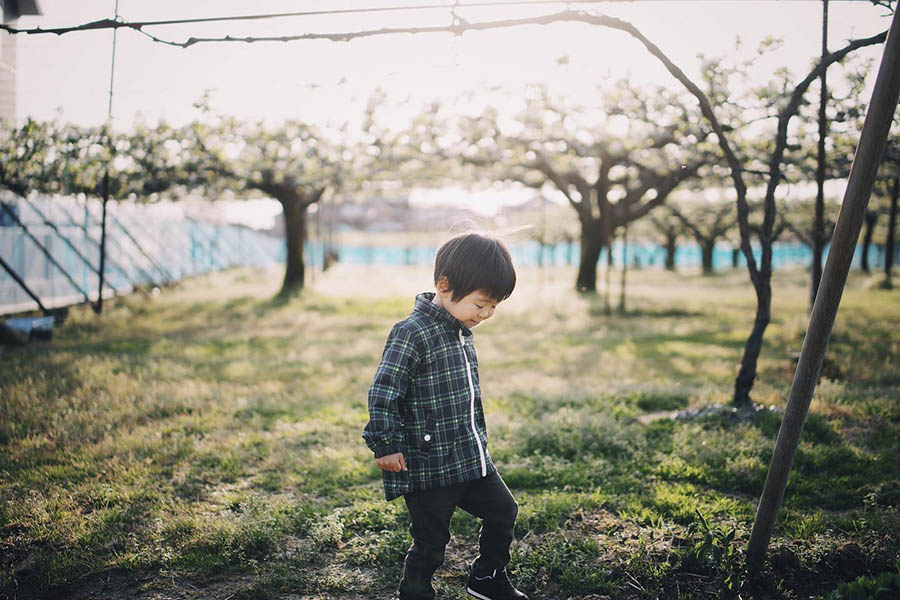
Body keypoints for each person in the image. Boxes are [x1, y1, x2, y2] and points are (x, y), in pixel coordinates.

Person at [363, 232, 528, 600]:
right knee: (431, 541)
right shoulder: (411, 332)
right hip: (428, 465)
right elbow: (384, 392)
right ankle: (415, 592)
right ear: (444, 285)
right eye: (481, 304)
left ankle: (486, 577)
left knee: (504, 510)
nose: (485, 315)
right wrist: (385, 445)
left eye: (493, 308)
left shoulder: (460, 329)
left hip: (469, 458)